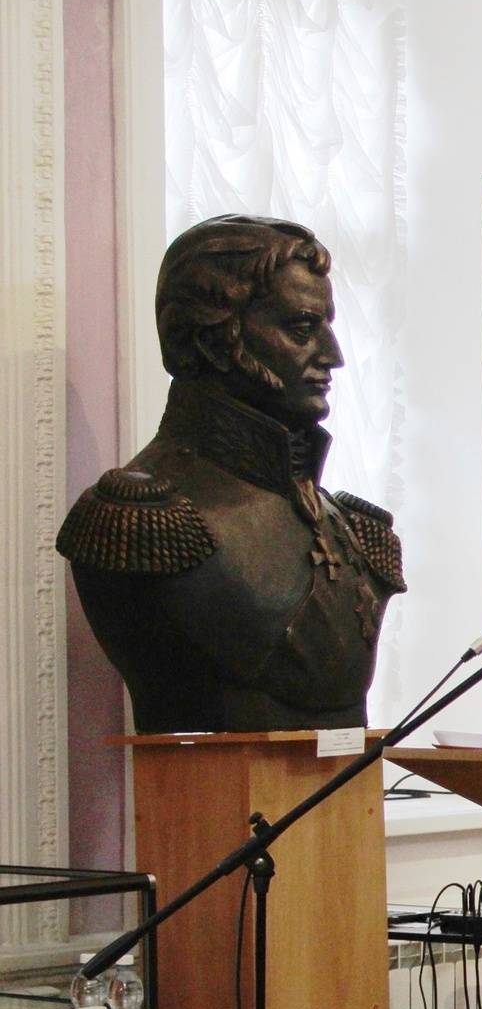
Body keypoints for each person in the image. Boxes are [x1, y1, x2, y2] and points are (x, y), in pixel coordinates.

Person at [55, 215, 404, 733]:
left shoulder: (354, 530)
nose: (333, 357)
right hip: (210, 784)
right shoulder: (144, 522)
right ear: (207, 340)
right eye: (301, 329)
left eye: (326, 327)